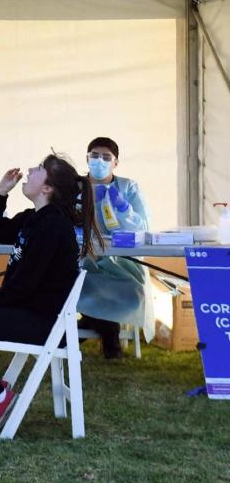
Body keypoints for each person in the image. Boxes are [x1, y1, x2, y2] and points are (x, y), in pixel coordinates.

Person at [0, 154, 98, 433]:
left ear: (47, 188)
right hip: (24, 310)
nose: (30, 171)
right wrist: (0, 193)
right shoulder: (35, 218)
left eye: (39, 170)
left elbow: (24, 287)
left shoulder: (53, 227)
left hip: (41, 322)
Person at [78, 136, 151, 359]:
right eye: (95, 156)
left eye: (106, 157)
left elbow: (143, 227)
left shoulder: (127, 187)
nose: (100, 161)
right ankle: (109, 332)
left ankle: (93, 323)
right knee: (79, 279)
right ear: (87, 159)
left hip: (121, 260)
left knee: (129, 289)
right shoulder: (76, 187)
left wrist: (123, 207)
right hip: (83, 256)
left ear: (115, 162)